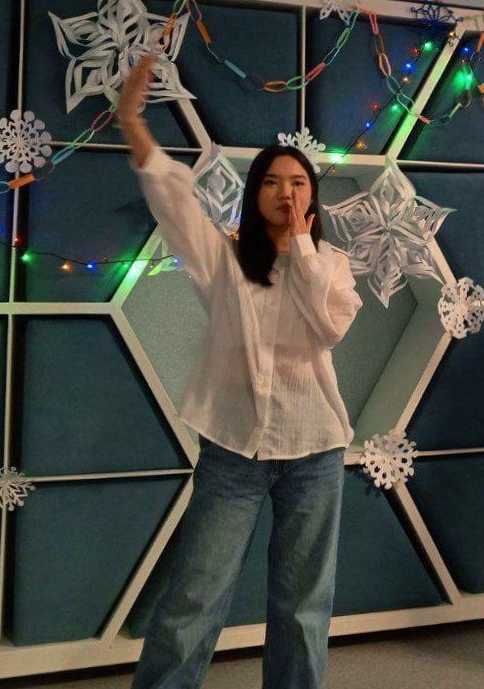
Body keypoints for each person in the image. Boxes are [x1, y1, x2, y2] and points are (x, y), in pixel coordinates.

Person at [118, 56, 363, 689]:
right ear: (255, 195)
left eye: (299, 182)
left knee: (303, 608)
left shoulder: (332, 265)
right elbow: (174, 203)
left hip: (315, 450)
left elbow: (328, 328)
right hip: (233, 450)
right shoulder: (224, 261)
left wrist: (302, 247)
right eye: (273, 182)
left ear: (313, 196)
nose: (287, 192)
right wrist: (133, 123)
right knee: (192, 601)